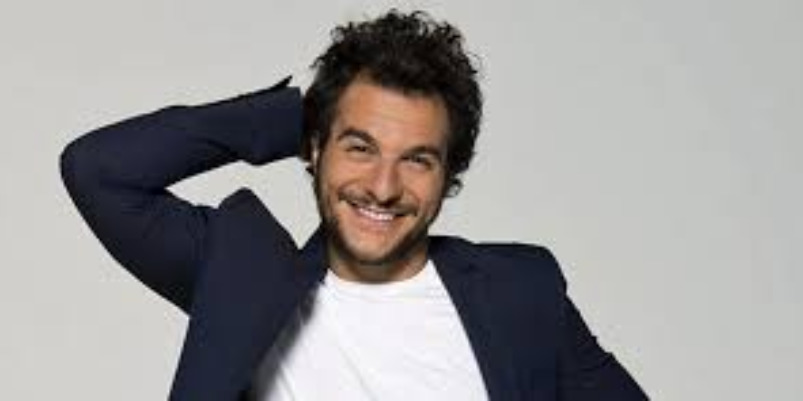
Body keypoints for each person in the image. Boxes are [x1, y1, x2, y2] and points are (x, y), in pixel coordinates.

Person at [60, 9, 647, 401]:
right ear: (316, 149)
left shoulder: (520, 292)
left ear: (448, 175)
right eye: (360, 147)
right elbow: (100, 171)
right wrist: (291, 119)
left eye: (417, 159)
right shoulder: (240, 277)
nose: (383, 186)